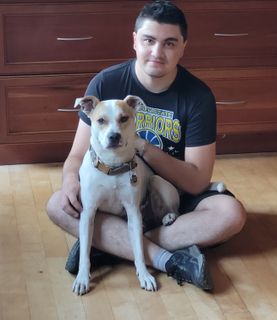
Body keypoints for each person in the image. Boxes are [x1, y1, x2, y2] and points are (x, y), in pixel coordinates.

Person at [46, 0, 246, 291]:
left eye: (169, 43)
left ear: (183, 46)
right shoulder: (105, 83)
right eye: (149, 40)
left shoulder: (198, 96)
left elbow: (197, 180)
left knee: (231, 215)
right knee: (56, 205)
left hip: (171, 196)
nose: (157, 52)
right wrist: (68, 180)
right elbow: (77, 155)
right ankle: (163, 256)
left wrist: (141, 146)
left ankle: (111, 245)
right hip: (111, 187)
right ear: (135, 41)